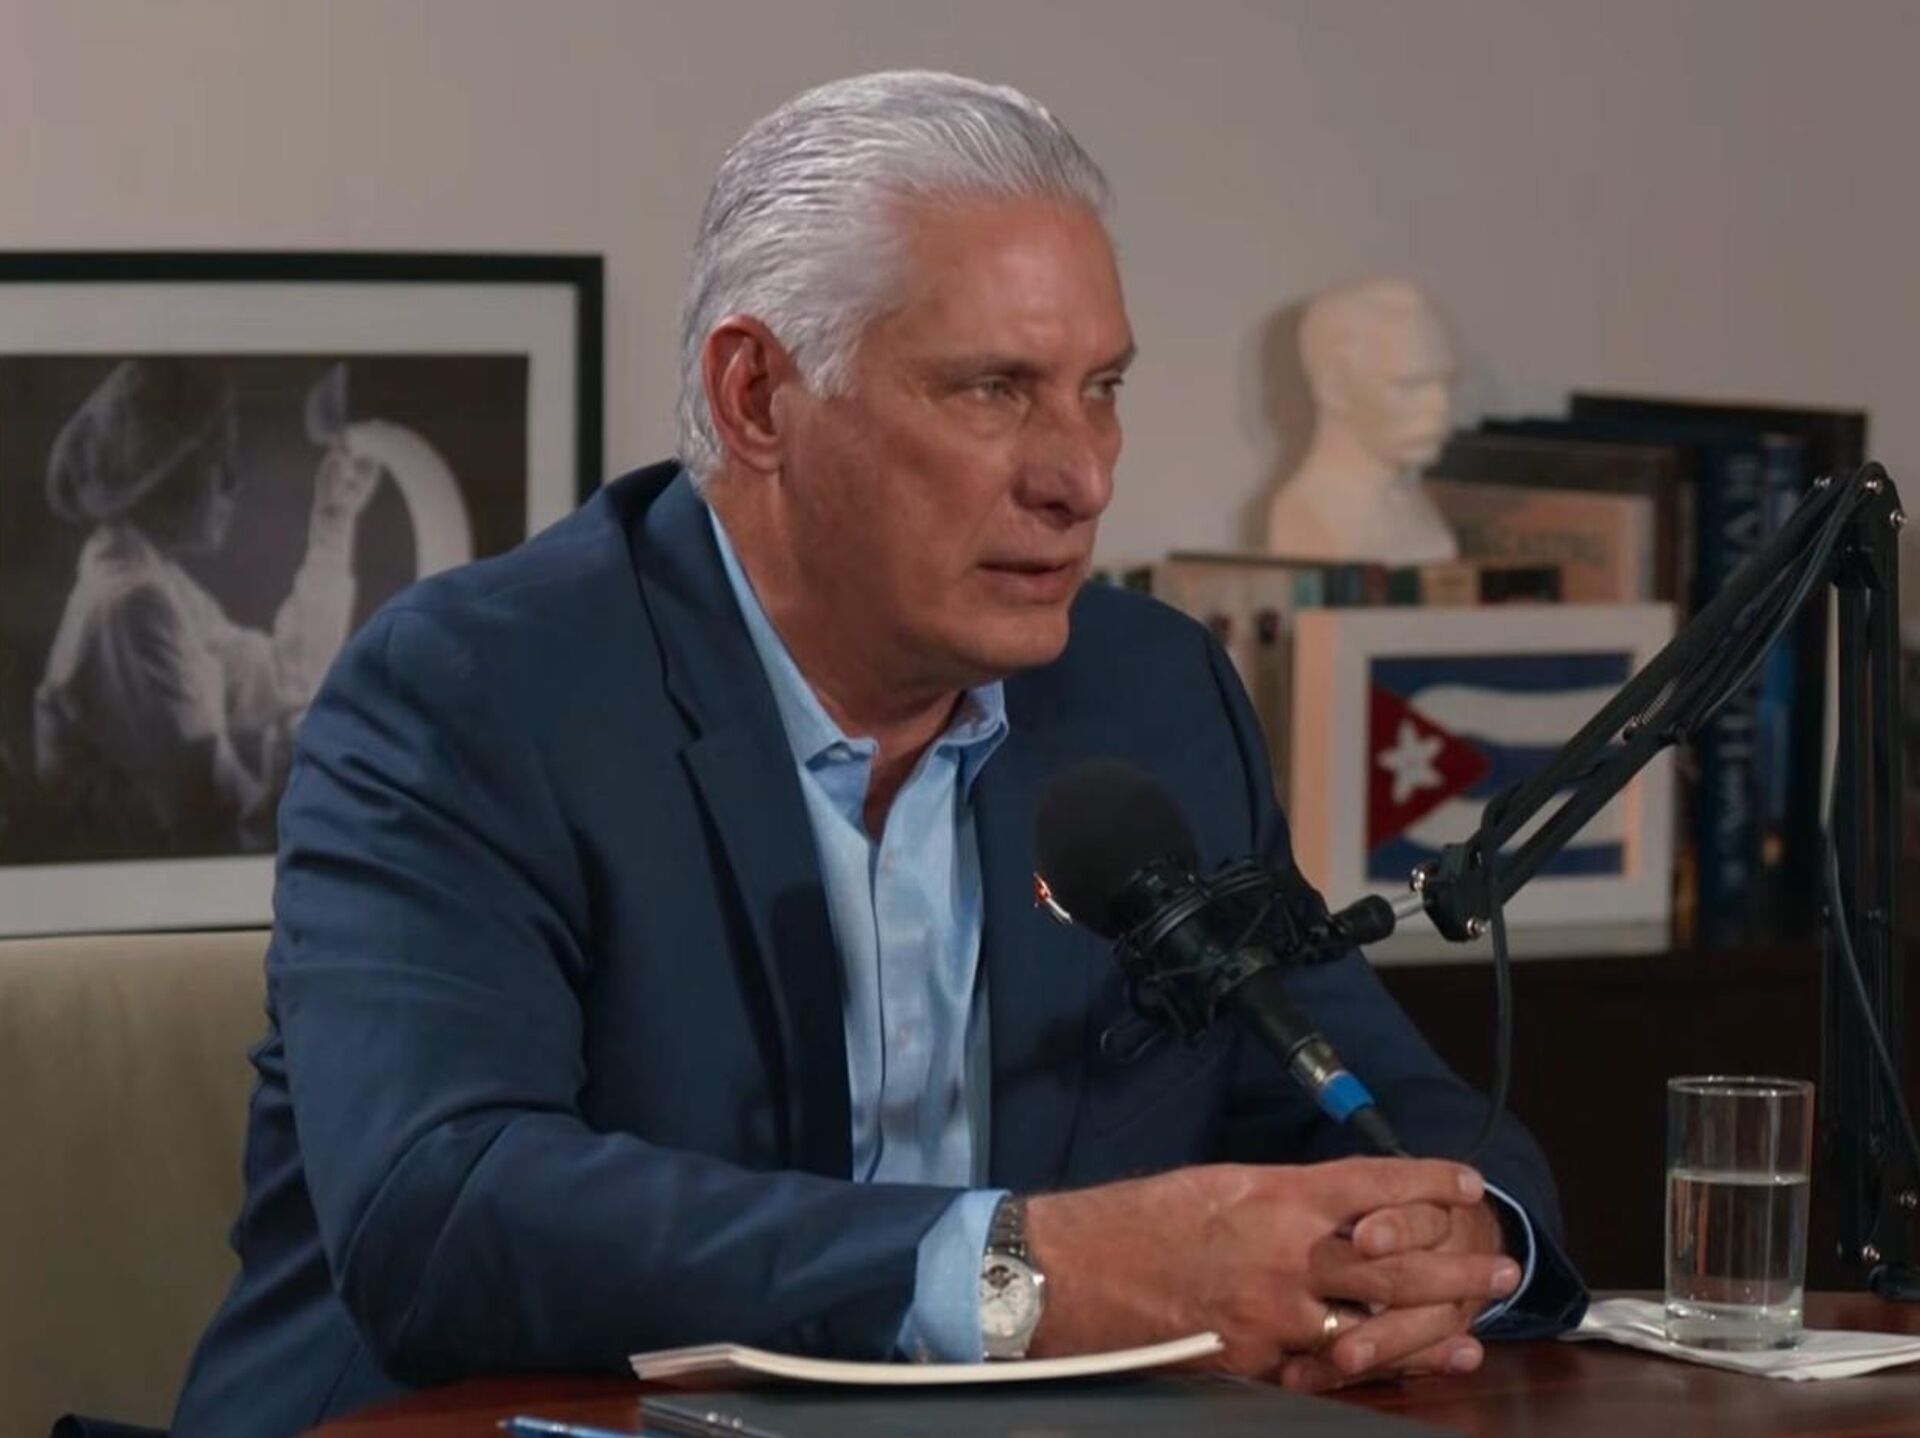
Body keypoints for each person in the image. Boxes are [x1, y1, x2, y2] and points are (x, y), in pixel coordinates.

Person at [170, 72, 1584, 1438]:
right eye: (993, 390)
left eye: (1100, 387)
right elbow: (443, 1215)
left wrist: (1449, 1242)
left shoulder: (1150, 692)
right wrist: (1034, 1270)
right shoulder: (471, 695)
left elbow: (1368, 1094)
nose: (1081, 474)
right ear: (757, 398)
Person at [33, 358, 381, 854]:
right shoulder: (131, 605)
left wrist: (334, 519)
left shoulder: (155, 582)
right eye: (219, 459)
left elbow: (287, 678)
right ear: (159, 474)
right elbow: (218, 828)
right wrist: (291, 775)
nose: (234, 483)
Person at [1264, 277, 1462, 564]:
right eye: (1409, 385)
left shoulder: (1414, 507)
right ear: (1334, 388)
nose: (1441, 406)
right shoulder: (1309, 511)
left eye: (1447, 384)